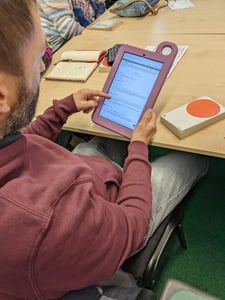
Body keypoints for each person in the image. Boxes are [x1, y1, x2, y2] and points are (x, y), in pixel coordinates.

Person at [0, 1, 209, 299]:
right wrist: (138, 149)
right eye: (39, 59)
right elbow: (132, 224)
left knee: (103, 136)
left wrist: (63, 109)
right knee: (194, 155)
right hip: (116, 212)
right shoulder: (42, 224)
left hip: (79, 183)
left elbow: (21, 142)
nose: (44, 65)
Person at [38, 0, 105, 52]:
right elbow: (68, 29)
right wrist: (98, 35)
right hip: (61, 47)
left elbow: (93, 11)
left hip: (74, 39)